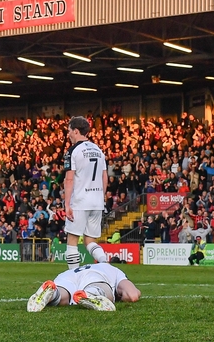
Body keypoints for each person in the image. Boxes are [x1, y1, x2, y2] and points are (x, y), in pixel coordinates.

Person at [63, 116, 109, 270]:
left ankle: (73, 276)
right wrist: (101, 198)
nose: (68, 134)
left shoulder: (73, 151)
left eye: (69, 131)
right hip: (96, 202)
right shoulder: (98, 150)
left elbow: (69, 179)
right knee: (90, 241)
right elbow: (104, 176)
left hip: (80, 201)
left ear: (76, 131)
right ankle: (104, 264)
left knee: (72, 241)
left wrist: (67, 204)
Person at [27, 263, 141, 312]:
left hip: (67, 275)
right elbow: (132, 295)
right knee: (101, 288)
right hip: (94, 275)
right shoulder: (114, 270)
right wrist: (120, 296)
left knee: (63, 297)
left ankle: (52, 293)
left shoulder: (103, 266)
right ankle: (92, 293)